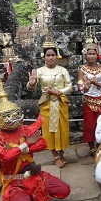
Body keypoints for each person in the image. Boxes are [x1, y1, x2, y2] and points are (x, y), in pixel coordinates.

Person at [0, 76, 70, 201]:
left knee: (64, 190)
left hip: (35, 175)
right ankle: (18, 199)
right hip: (15, 181)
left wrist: (19, 148)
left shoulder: (24, 129)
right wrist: (27, 144)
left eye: (15, 114)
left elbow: (42, 143)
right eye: (7, 116)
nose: (13, 118)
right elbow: (6, 157)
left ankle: (30, 197)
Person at [27, 38, 73, 168]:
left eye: (53, 55)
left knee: (62, 130)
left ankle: (61, 153)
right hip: (47, 104)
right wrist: (31, 84)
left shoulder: (62, 70)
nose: (51, 58)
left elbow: (70, 87)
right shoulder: (40, 71)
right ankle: (55, 155)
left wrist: (57, 92)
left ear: (56, 56)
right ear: (44, 57)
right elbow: (31, 87)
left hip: (60, 103)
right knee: (49, 131)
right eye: (48, 55)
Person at [78, 31, 101, 155]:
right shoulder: (82, 68)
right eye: (89, 54)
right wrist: (85, 87)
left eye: (93, 54)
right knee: (90, 125)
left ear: (97, 54)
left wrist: (97, 84)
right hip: (89, 100)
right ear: (85, 55)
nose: (91, 56)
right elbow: (80, 85)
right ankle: (92, 146)